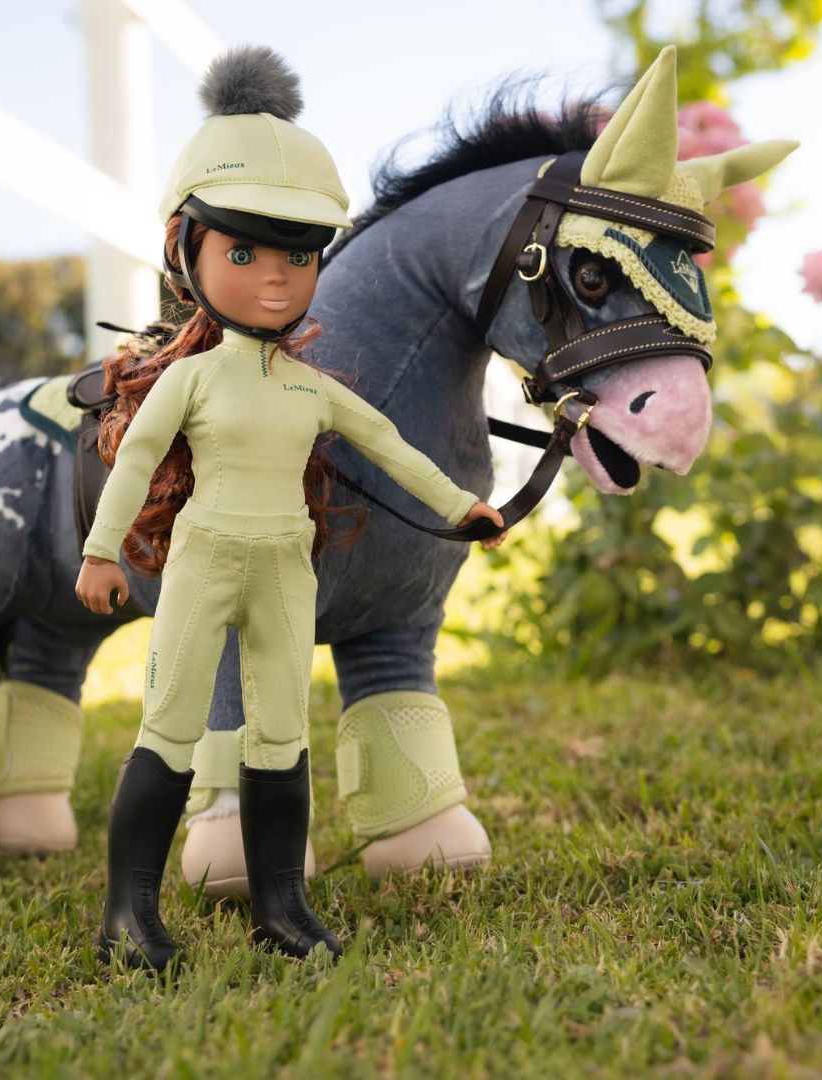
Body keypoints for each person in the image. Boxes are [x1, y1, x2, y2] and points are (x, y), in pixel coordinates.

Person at [75, 45, 506, 972]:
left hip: (284, 567)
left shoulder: (312, 388)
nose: (275, 278)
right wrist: (103, 550)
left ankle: (282, 904)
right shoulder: (190, 378)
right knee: (171, 727)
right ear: (187, 255)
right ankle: (129, 912)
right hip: (203, 560)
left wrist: (462, 506)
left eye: (300, 256)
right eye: (242, 253)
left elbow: (392, 447)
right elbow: (138, 458)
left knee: (281, 733)